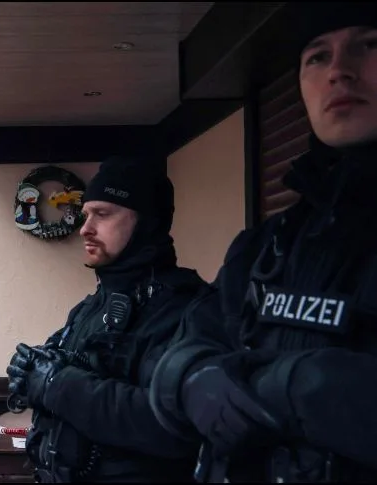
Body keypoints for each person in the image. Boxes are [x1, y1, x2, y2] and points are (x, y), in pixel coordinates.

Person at [149, 4, 377, 482]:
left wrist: (289, 386)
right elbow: (185, 349)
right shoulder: (267, 245)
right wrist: (191, 377)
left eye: (369, 45)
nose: (338, 71)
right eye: (317, 56)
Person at [6, 156, 207, 482]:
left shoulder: (188, 309)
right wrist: (32, 373)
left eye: (103, 214)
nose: (85, 228)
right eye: (86, 214)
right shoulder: (90, 307)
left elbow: (171, 424)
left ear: (146, 222)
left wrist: (56, 384)